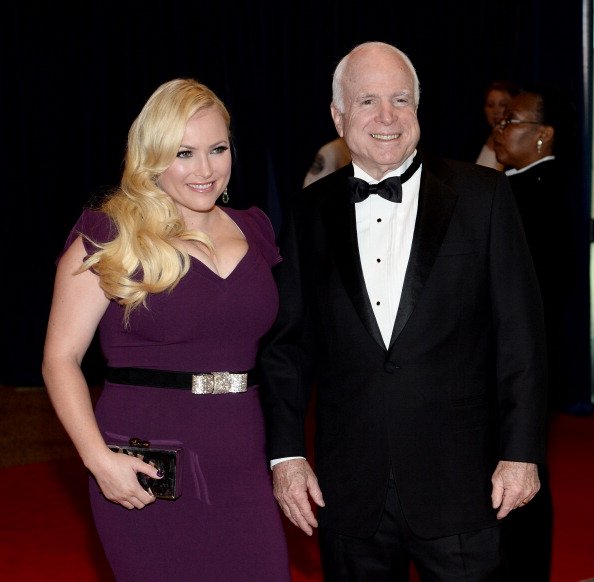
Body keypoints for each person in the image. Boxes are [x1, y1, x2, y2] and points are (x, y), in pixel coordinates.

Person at [259, 41, 548, 581]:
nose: (386, 117)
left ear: (418, 108)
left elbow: (521, 335)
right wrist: (286, 457)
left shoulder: (482, 196)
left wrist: (522, 452)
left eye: (400, 99)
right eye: (367, 101)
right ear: (338, 116)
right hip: (348, 491)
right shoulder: (307, 214)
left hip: (465, 484)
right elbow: (286, 349)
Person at [41, 78, 291, 582]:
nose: (205, 169)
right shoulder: (109, 233)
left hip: (241, 455)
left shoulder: (256, 227)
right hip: (148, 465)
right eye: (184, 152)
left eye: (218, 149)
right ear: (152, 156)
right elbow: (59, 359)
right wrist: (98, 459)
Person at [493, 84, 582, 580]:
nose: (499, 130)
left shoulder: (536, 196)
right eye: (500, 120)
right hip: (523, 360)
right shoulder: (520, 189)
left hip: (523, 361)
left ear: (543, 135)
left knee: (520, 470)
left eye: (511, 121)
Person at [475, 80, 520, 170]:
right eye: (490, 105)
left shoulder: (519, 146)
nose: (496, 111)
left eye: (503, 105)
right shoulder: (474, 142)